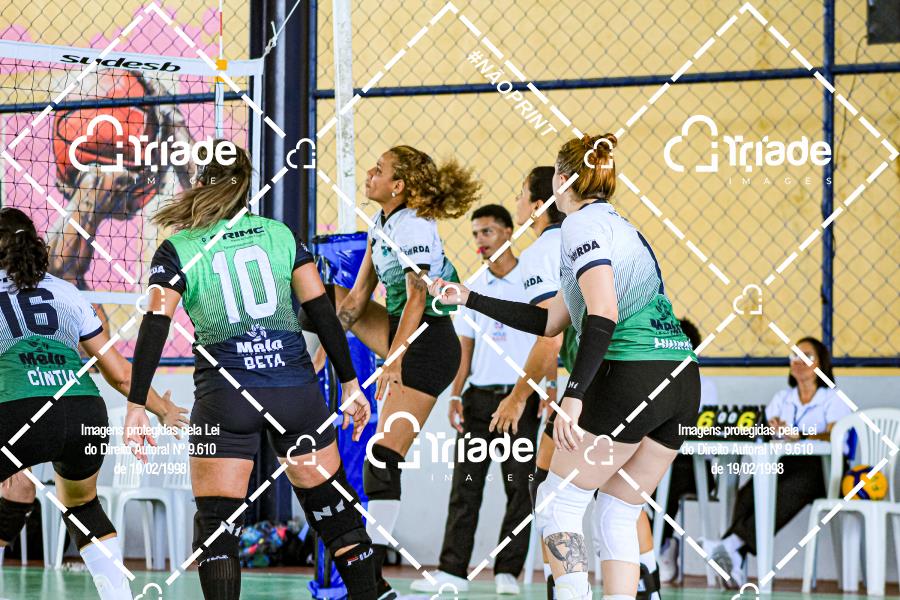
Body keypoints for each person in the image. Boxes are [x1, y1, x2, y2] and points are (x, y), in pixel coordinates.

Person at [430, 132, 700, 600]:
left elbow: (603, 313)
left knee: (557, 503)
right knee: (617, 511)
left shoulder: (578, 226)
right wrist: (470, 297)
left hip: (633, 372)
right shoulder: (619, 226)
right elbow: (549, 320)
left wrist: (573, 397)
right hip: (680, 378)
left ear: (561, 179)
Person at [125, 141, 376, 600]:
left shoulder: (179, 248)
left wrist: (136, 404)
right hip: (295, 391)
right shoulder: (280, 235)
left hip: (227, 396)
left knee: (217, 526)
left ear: (200, 182)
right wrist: (350, 384)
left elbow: (155, 325)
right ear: (246, 187)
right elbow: (322, 311)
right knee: (336, 516)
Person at [497, 167, 664, 600]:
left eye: (520, 193)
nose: (517, 202)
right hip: (659, 374)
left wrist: (525, 396)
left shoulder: (549, 246)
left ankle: (565, 590)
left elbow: (552, 337)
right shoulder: (617, 226)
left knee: (552, 493)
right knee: (619, 498)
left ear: (543, 201)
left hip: (601, 381)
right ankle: (647, 587)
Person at [0, 207, 183, 599]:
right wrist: (163, 409)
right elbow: (120, 374)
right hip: (83, 410)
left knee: (16, 489)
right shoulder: (66, 291)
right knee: (83, 508)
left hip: (18, 410)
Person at [327, 145, 480, 599]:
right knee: (324, 298)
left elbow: (417, 297)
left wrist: (393, 361)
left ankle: (371, 581)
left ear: (398, 185)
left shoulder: (415, 226)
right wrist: (322, 352)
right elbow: (356, 300)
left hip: (428, 343)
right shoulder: (381, 223)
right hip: (400, 331)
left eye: (380, 170)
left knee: (381, 458)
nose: (369, 173)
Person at [410, 204, 539, 596]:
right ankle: (452, 571)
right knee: (465, 487)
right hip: (479, 400)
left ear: (508, 232)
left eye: (487, 232)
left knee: (521, 488)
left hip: (520, 400)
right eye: (476, 234)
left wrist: (546, 391)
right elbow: (465, 346)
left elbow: (547, 340)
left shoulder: (533, 281)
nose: (480, 241)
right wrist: (455, 394)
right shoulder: (472, 285)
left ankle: (507, 571)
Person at [703, 337, 849, 588]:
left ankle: (730, 545)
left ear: (820, 363)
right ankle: (735, 558)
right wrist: (771, 429)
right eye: (794, 356)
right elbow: (763, 431)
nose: (798, 361)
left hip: (823, 471)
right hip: (787, 464)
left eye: (806, 356)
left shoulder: (833, 398)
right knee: (749, 493)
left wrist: (801, 435)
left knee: (784, 492)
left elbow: (836, 433)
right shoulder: (783, 398)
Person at [656, 319, 718, 583]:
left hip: (693, 467)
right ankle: (650, 542)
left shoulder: (705, 386)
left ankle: (660, 545)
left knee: (668, 478)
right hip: (657, 459)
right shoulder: (652, 382)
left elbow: (705, 432)